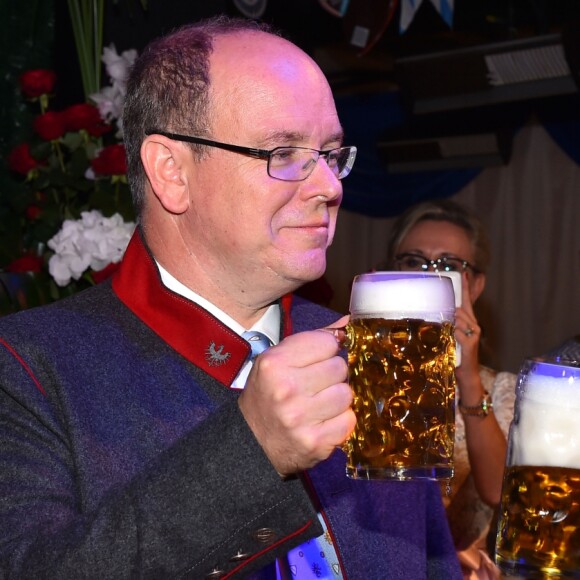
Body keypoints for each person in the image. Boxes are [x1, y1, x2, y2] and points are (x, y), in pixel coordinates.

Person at [0, 17, 462, 579]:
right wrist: (252, 449)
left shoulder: (370, 352)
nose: (331, 186)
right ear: (172, 172)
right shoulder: (27, 367)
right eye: (284, 152)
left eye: (331, 153)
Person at [383, 199, 517, 579]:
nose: (428, 275)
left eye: (447, 265)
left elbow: (499, 495)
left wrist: (468, 378)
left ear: (473, 286)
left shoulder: (501, 389)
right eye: (413, 261)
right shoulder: (359, 375)